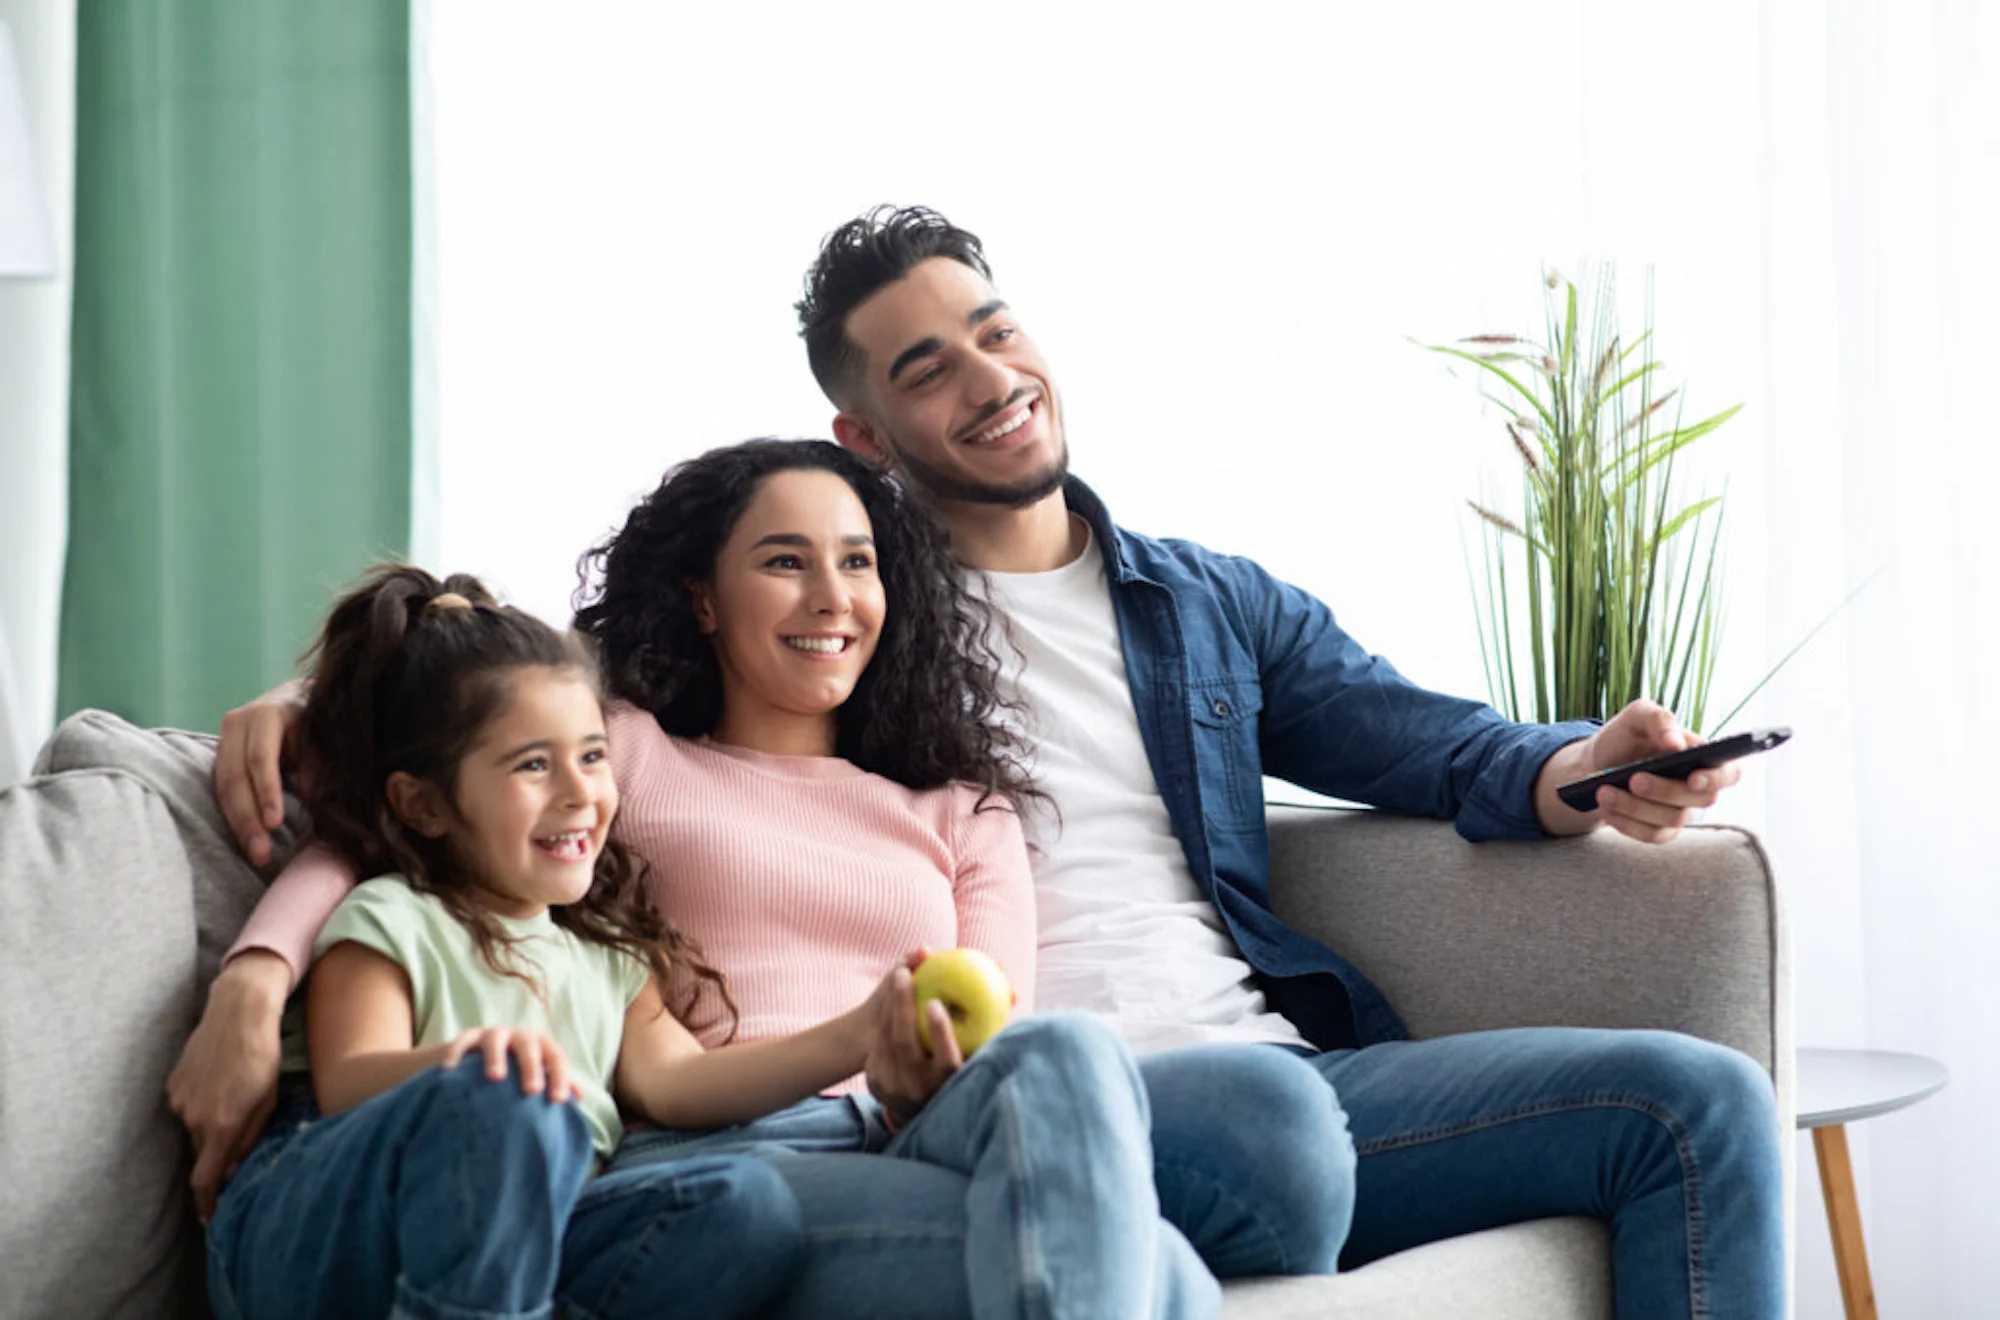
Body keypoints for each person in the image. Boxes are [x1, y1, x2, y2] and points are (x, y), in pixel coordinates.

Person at [783, 206, 1785, 1316]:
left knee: (1698, 1102)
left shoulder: (1206, 603)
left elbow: (1435, 746)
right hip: (1034, 1108)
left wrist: (1593, 764)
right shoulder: (840, 634)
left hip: (1285, 1081)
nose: (990, 380)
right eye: (928, 371)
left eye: (997, 331)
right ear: (864, 438)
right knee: (1268, 1122)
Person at [191, 443, 1348, 1317]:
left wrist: (896, 1042)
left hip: (914, 1119)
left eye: (856, 562)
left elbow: (987, 1028)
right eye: (783, 561)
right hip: (726, 1151)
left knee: (1132, 1072)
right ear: (703, 596)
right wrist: (254, 971)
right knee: (1149, 1268)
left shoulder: (962, 810)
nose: (830, 595)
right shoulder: (624, 753)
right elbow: (411, 803)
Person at [204, 564, 809, 1318]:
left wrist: (861, 1036)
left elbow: (686, 1083)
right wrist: (471, 1069)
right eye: (532, 765)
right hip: (326, 1226)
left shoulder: (609, 956)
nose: (580, 792)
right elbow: (348, 1081)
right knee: (512, 1107)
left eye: (592, 756)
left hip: (520, 1248)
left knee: (748, 1208)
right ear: (422, 805)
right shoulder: (391, 915)